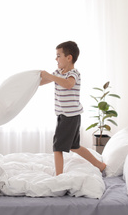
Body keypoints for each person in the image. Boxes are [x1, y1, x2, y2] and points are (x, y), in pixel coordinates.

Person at [40, 41, 106, 176]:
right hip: (65, 115)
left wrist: (51, 76)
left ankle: (58, 176)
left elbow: (68, 84)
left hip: (70, 117)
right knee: (74, 146)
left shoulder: (73, 73)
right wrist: (37, 78)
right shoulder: (58, 72)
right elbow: (42, 82)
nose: (56, 59)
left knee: (57, 147)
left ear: (69, 58)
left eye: (58, 56)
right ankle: (100, 165)